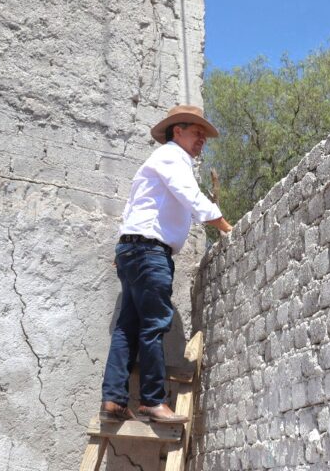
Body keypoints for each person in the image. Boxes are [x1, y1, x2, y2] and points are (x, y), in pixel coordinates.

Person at [98, 104, 233, 424]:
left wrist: (123, 252)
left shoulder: (158, 160)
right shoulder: (173, 157)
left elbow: (133, 207)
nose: (202, 139)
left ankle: (114, 400)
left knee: (127, 328)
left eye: (204, 135)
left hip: (133, 250)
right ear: (177, 131)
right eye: (196, 132)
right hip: (149, 253)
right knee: (153, 325)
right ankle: (153, 402)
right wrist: (226, 227)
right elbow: (191, 197)